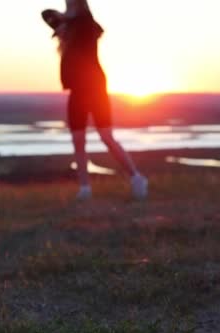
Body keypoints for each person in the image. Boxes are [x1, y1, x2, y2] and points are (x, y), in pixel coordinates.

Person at [42, 0, 148, 200]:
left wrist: (68, 20)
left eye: (71, 3)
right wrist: (64, 20)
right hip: (76, 90)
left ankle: (136, 178)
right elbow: (45, 13)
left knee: (106, 136)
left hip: (94, 87)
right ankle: (85, 188)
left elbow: (86, 23)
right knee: (78, 138)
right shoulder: (68, 27)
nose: (68, 6)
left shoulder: (86, 25)